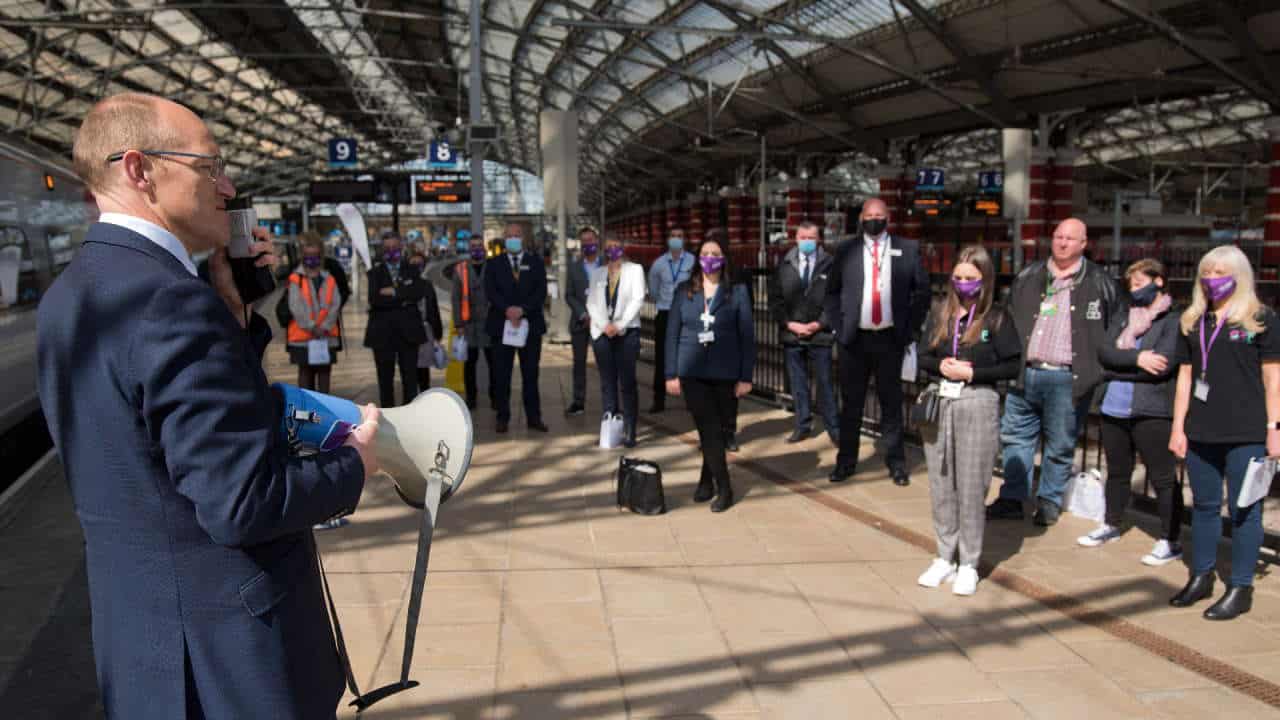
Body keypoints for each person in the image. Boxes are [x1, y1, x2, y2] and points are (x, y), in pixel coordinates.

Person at [37, 92, 379, 719]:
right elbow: (242, 504)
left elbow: (160, 442)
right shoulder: (169, 302)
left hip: (143, 643)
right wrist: (358, 461)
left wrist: (233, 314)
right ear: (139, 170)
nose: (226, 186)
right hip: (227, 661)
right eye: (209, 167)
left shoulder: (74, 294)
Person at [1168, 245, 1280, 620]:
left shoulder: (1260, 318)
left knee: (1245, 510)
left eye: (1221, 272)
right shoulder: (1194, 320)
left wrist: (1274, 428)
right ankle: (1201, 575)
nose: (1212, 279)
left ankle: (1241, 586)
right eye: (1207, 272)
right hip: (1201, 430)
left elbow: (1273, 378)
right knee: (1203, 506)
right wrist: (1178, 426)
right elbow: (1185, 376)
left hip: (1246, 431)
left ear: (1239, 276)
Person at [986, 218, 1117, 525]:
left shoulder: (1100, 281)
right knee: (1016, 438)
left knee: (1059, 443)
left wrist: (1096, 372)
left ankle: (1048, 502)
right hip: (1026, 372)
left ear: (1084, 244)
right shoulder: (1031, 275)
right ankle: (1012, 497)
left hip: (1067, 378)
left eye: (1070, 238)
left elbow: (1114, 327)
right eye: (1058, 236)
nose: (1062, 242)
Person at [916, 246, 1021, 596]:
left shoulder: (997, 318)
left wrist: (973, 372)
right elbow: (922, 356)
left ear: (985, 280)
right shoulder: (940, 313)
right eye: (958, 278)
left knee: (972, 487)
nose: (963, 284)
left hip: (977, 402)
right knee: (941, 483)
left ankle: (969, 562)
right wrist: (940, 366)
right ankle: (944, 555)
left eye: (971, 279)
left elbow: (1012, 366)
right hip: (941, 401)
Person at [1080, 259, 1182, 565]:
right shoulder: (1125, 315)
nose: (1134, 290)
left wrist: (1119, 367)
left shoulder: (1172, 320)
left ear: (1159, 281)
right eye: (1131, 285)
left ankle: (1169, 538)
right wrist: (1137, 359)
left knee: (1162, 477)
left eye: (1140, 283)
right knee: (1118, 470)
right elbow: (1105, 352)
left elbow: (1164, 365)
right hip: (1114, 406)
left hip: (1151, 408)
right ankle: (1111, 523)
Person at [824, 198, 931, 486]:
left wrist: (909, 330)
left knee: (892, 405)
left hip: (889, 340)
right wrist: (838, 326)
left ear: (888, 218)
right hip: (854, 341)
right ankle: (846, 462)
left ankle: (896, 463)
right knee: (852, 405)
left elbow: (922, 292)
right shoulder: (846, 250)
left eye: (879, 215)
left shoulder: (907, 250)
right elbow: (831, 292)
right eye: (869, 215)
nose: (874, 219)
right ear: (861, 218)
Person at [665, 232, 755, 512]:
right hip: (692, 371)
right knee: (709, 429)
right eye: (706, 253)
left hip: (726, 372)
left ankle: (706, 481)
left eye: (716, 254)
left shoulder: (737, 292)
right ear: (698, 258)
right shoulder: (684, 290)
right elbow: (671, 334)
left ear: (724, 259)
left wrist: (745, 377)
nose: (711, 259)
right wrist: (670, 373)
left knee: (715, 431)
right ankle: (725, 487)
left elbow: (747, 335)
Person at [768, 220, 839, 445]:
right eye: (803, 238)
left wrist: (820, 324)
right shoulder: (784, 264)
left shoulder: (830, 264)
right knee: (798, 383)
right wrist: (789, 324)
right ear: (795, 239)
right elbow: (775, 300)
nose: (807, 242)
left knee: (826, 382)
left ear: (818, 240)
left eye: (811, 238)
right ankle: (802, 425)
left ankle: (834, 427)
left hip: (820, 334)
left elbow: (836, 299)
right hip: (793, 334)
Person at [485, 221, 549, 433]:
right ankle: (502, 417)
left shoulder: (536, 262)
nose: (513, 238)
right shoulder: (494, 264)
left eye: (517, 234)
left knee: (530, 374)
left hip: (530, 326)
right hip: (501, 325)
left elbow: (541, 292)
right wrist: (507, 310)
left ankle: (534, 417)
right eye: (509, 235)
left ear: (523, 238)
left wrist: (522, 310)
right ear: (504, 238)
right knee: (502, 374)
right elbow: (490, 291)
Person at [588, 232, 646, 447]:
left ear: (622, 247)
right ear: (604, 250)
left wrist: (619, 325)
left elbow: (637, 298)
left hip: (627, 333)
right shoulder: (598, 274)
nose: (612, 250)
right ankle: (610, 426)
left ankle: (630, 428)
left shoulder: (634, 270)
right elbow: (591, 303)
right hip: (603, 334)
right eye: (608, 246)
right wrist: (605, 325)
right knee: (607, 382)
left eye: (616, 245)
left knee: (627, 382)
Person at [364, 231, 430, 407]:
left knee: (410, 380)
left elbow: (417, 293)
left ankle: (409, 418)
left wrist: (393, 292)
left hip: (408, 334)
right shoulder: (375, 273)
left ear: (402, 247)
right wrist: (403, 297)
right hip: (382, 335)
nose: (391, 251)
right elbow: (375, 299)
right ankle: (388, 419)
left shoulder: (413, 269)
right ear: (382, 249)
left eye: (395, 247)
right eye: (387, 248)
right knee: (385, 381)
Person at [286, 232, 343, 393]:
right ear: (302, 256)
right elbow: (295, 307)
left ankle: (324, 411)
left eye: (315, 255)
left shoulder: (329, 278)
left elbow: (335, 304)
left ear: (321, 255)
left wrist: (324, 327)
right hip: (303, 339)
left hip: (326, 337)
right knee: (305, 376)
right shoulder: (296, 278)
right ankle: (306, 412)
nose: (312, 259)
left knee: (325, 375)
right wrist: (312, 327)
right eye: (308, 255)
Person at [648, 226, 694, 413]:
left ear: (685, 239)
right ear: (668, 239)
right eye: (673, 236)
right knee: (662, 357)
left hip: (686, 314)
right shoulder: (658, 264)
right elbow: (653, 290)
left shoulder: (693, 261)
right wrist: (664, 302)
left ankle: (692, 400)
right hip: (665, 313)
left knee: (690, 356)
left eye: (680, 236)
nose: (676, 239)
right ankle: (658, 400)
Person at [453, 234, 496, 410]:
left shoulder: (493, 267)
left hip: (490, 323)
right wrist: (459, 324)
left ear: (484, 249)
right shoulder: (461, 269)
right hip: (468, 323)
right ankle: (471, 397)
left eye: (479, 246)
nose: (477, 249)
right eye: (473, 246)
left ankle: (495, 396)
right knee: (469, 364)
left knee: (494, 363)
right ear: (469, 249)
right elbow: (456, 298)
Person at [565, 227, 601, 416]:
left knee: (605, 363)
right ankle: (578, 401)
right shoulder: (574, 267)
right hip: (581, 323)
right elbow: (569, 295)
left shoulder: (608, 265)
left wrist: (599, 315)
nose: (588, 244)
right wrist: (583, 314)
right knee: (579, 364)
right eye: (584, 241)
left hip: (602, 324)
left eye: (591, 240)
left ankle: (609, 400)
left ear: (597, 241)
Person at [408, 251, 444, 392]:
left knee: (423, 368)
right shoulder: (403, 284)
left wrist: (437, 332)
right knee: (410, 368)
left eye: (420, 263)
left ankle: (424, 394)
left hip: (425, 331)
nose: (417, 266)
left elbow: (433, 308)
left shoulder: (427, 285)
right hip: (407, 332)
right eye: (413, 263)